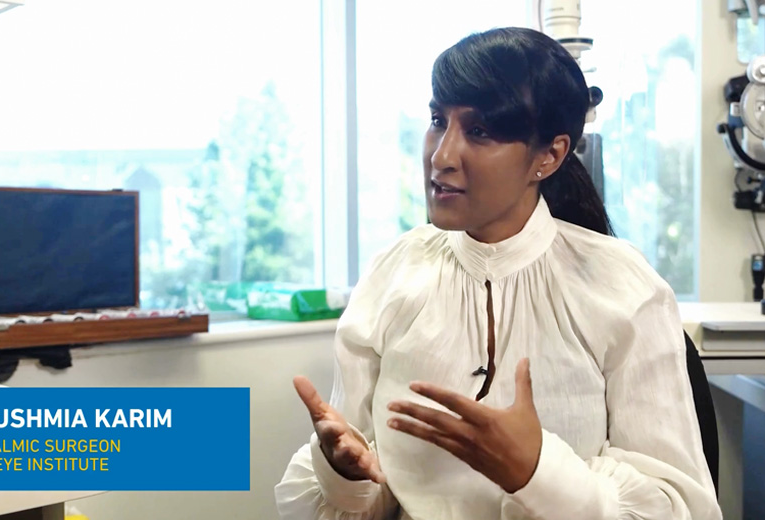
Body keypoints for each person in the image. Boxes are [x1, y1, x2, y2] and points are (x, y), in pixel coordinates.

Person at [274, 27, 721, 520]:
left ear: (549, 155)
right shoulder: (394, 275)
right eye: (437, 120)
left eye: (480, 131)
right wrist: (347, 476)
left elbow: (680, 506)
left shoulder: (624, 290)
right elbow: (371, 494)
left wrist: (537, 474)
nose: (441, 157)